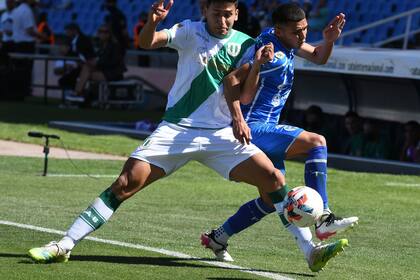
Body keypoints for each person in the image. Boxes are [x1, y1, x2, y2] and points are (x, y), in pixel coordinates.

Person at [28, 0, 307, 269]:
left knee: (274, 179)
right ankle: (64, 244)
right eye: (216, 14)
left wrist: (256, 67)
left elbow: (245, 97)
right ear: (204, 10)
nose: (222, 20)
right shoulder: (188, 31)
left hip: (220, 134)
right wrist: (152, 22)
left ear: (236, 13)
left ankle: (309, 250)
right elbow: (146, 43)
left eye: (228, 14)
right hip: (177, 129)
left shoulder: (247, 44)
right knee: (125, 183)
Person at [201, 3, 357, 272]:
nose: (303, 37)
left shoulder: (281, 41)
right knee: (317, 142)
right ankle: (324, 218)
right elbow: (234, 84)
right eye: (298, 32)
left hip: (266, 126)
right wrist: (255, 73)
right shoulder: (273, 57)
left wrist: (329, 41)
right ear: (280, 30)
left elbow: (319, 56)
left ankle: (218, 238)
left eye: (306, 30)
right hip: (254, 127)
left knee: (272, 198)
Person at [70, 24, 125, 102]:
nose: (101, 34)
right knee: (86, 68)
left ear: (109, 34)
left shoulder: (115, 46)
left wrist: (97, 63)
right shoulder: (101, 46)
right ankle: (79, 93)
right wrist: (92, 62)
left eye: (104, 32)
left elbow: (114, 62)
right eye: (100, 31)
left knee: (86, 70)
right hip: (104, 71)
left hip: (113, 73)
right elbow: (97, 58)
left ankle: (78, 93)